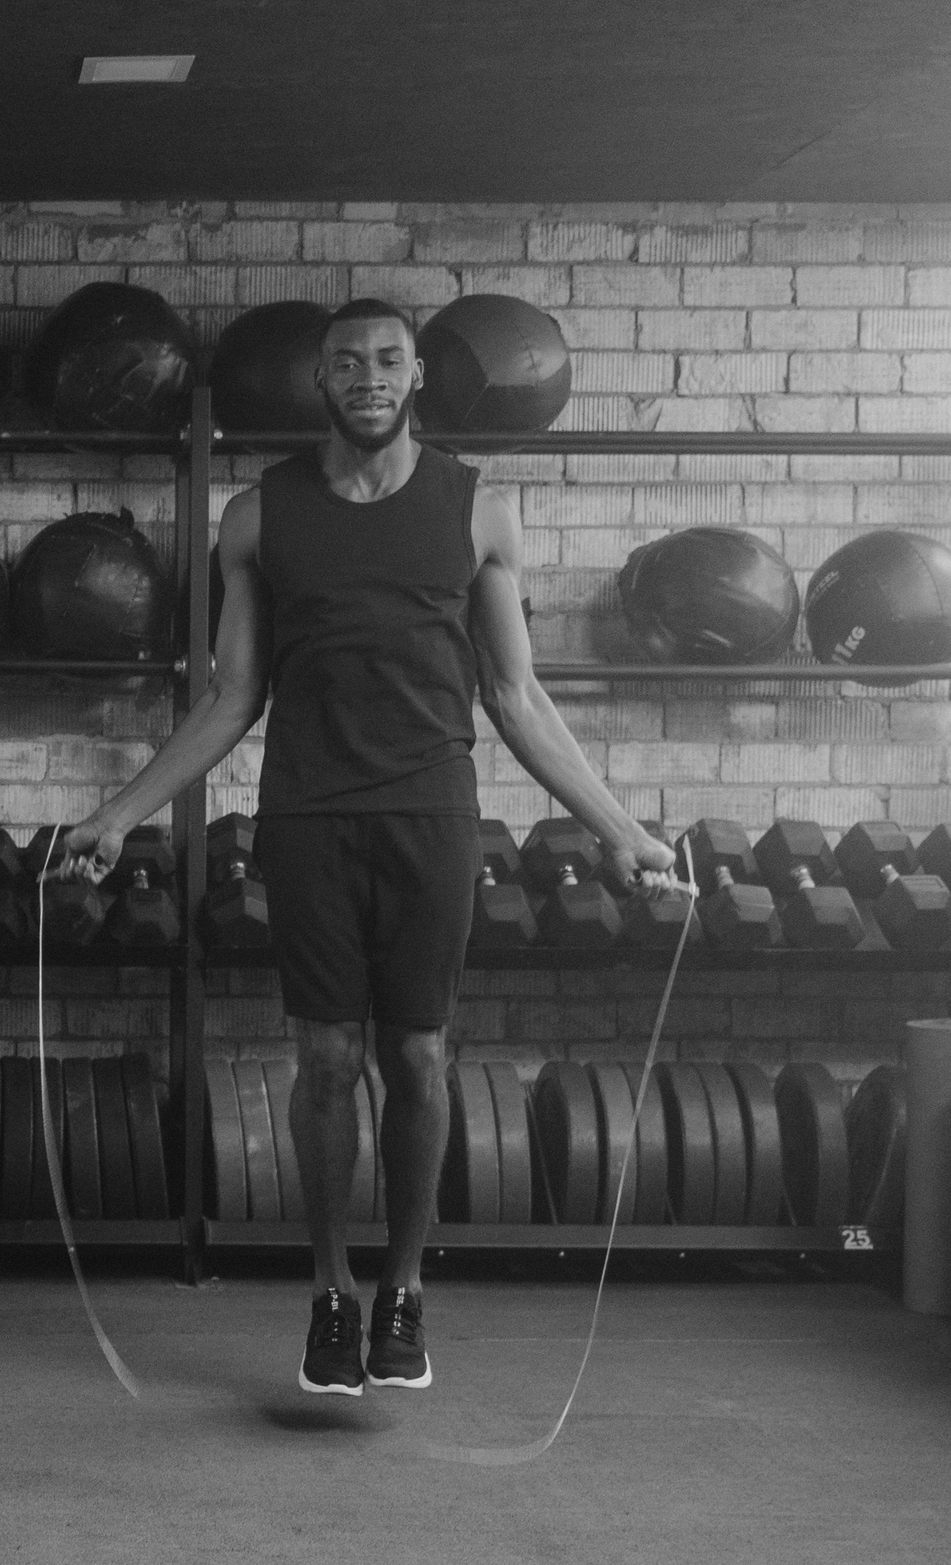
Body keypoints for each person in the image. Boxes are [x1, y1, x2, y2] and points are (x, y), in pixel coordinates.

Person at [58, 300, 678, 1396]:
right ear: (321, 380)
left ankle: (404, 1291)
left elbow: (516, 696)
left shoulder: (476, 511)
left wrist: (621, 830)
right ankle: (330, 1294)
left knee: (419, 1057)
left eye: (389, 359)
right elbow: (231, 695)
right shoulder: (258, 517)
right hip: (308, 820)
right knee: (328, 1060)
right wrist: (117, 812)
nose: (369, 377)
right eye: (347, 362)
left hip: (430, 817)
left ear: (417, 376)